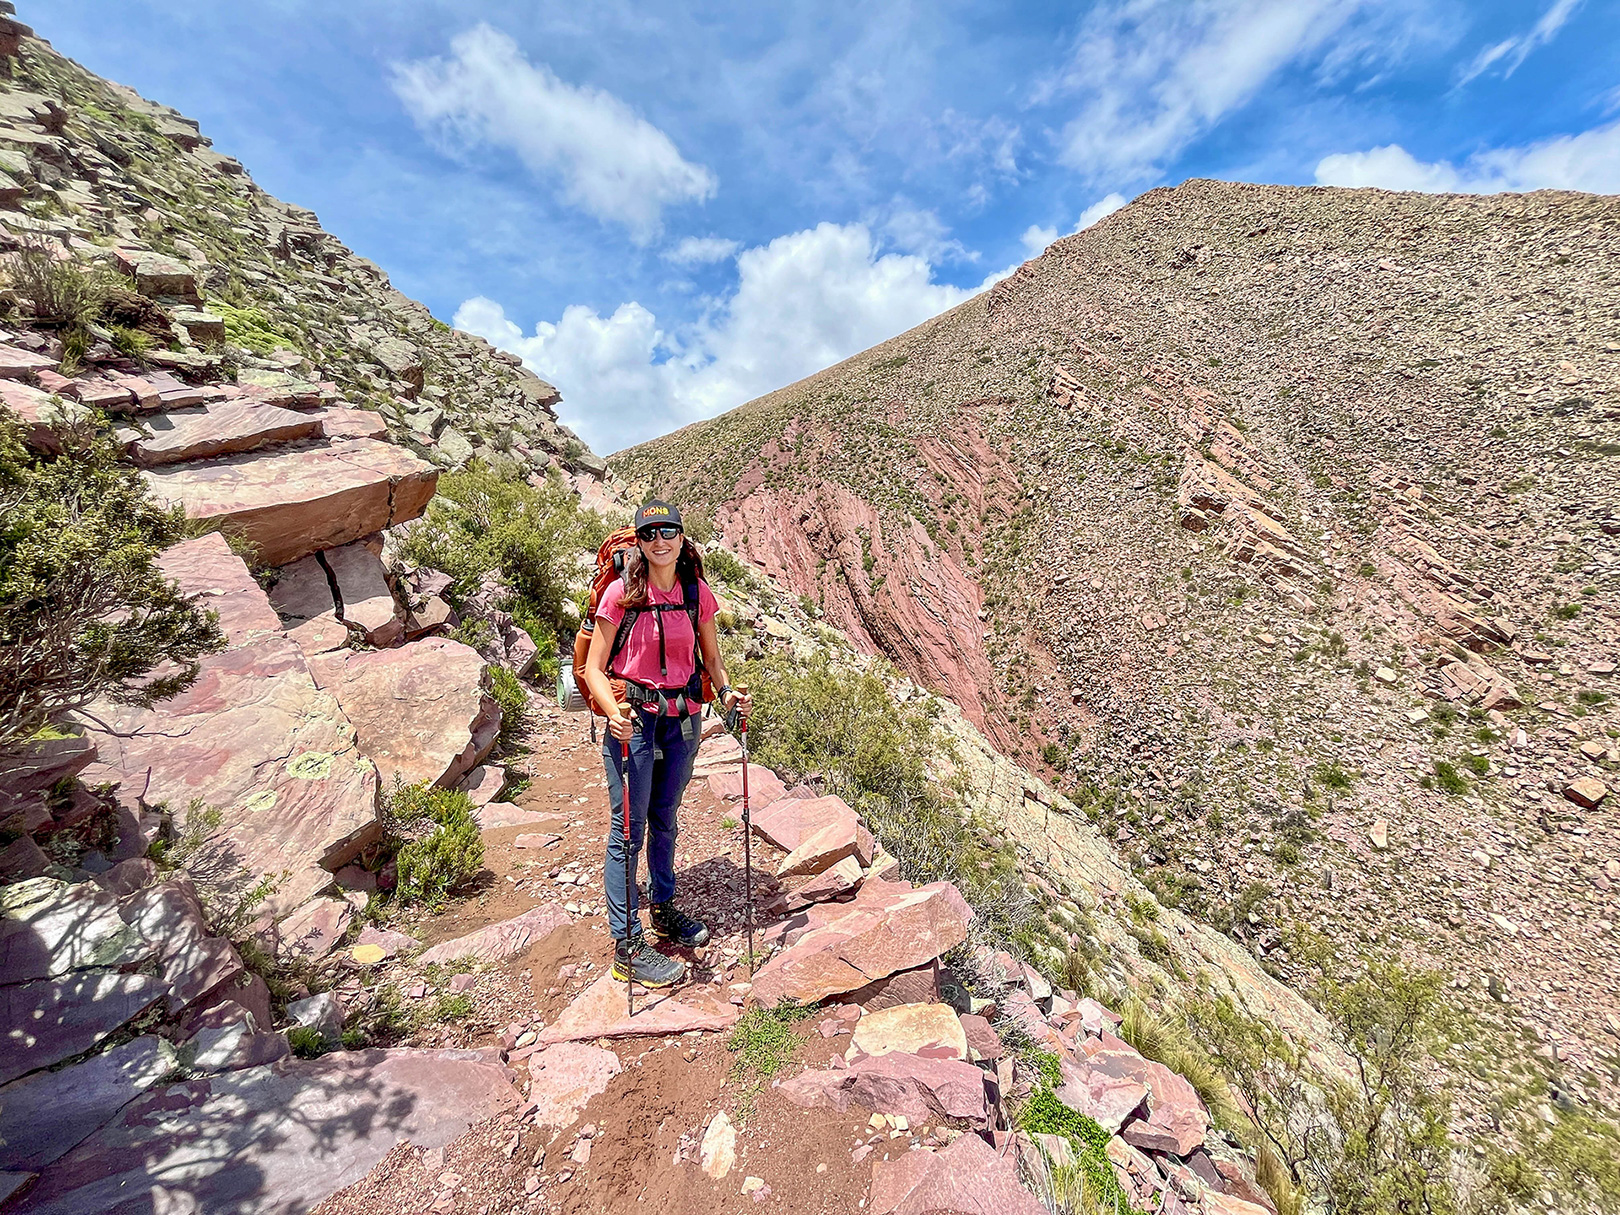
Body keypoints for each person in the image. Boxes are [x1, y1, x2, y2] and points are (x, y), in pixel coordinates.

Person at [581, 500, 751, 989]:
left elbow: (712, 660)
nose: (660, 541)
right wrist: (614, 713)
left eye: (668, 532)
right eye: (650, 533)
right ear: (638, 541)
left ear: (681, 538)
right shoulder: (619, 594)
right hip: (633, 720)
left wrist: (726, 693)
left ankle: (662, 907)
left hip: (683, 719)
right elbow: (594, 668)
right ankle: (627, 946)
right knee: (627, 828)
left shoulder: (697, 593)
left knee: (665, 818)